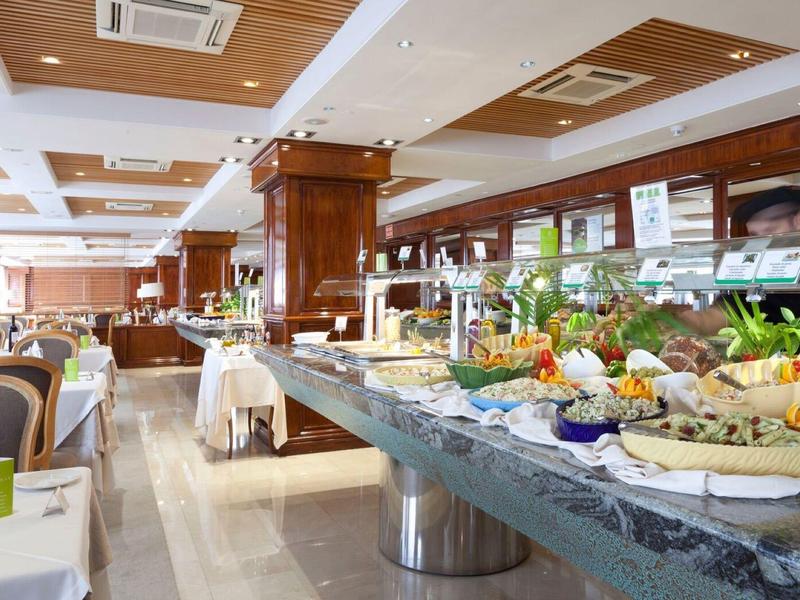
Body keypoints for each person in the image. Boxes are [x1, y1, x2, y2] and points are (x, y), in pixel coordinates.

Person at [680, 186, 800, 335]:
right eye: (755, 235)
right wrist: (700, 321)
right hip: (771, 349)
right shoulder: (761, 266)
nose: (763, 243)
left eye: (770, 231)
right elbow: (735, 307)